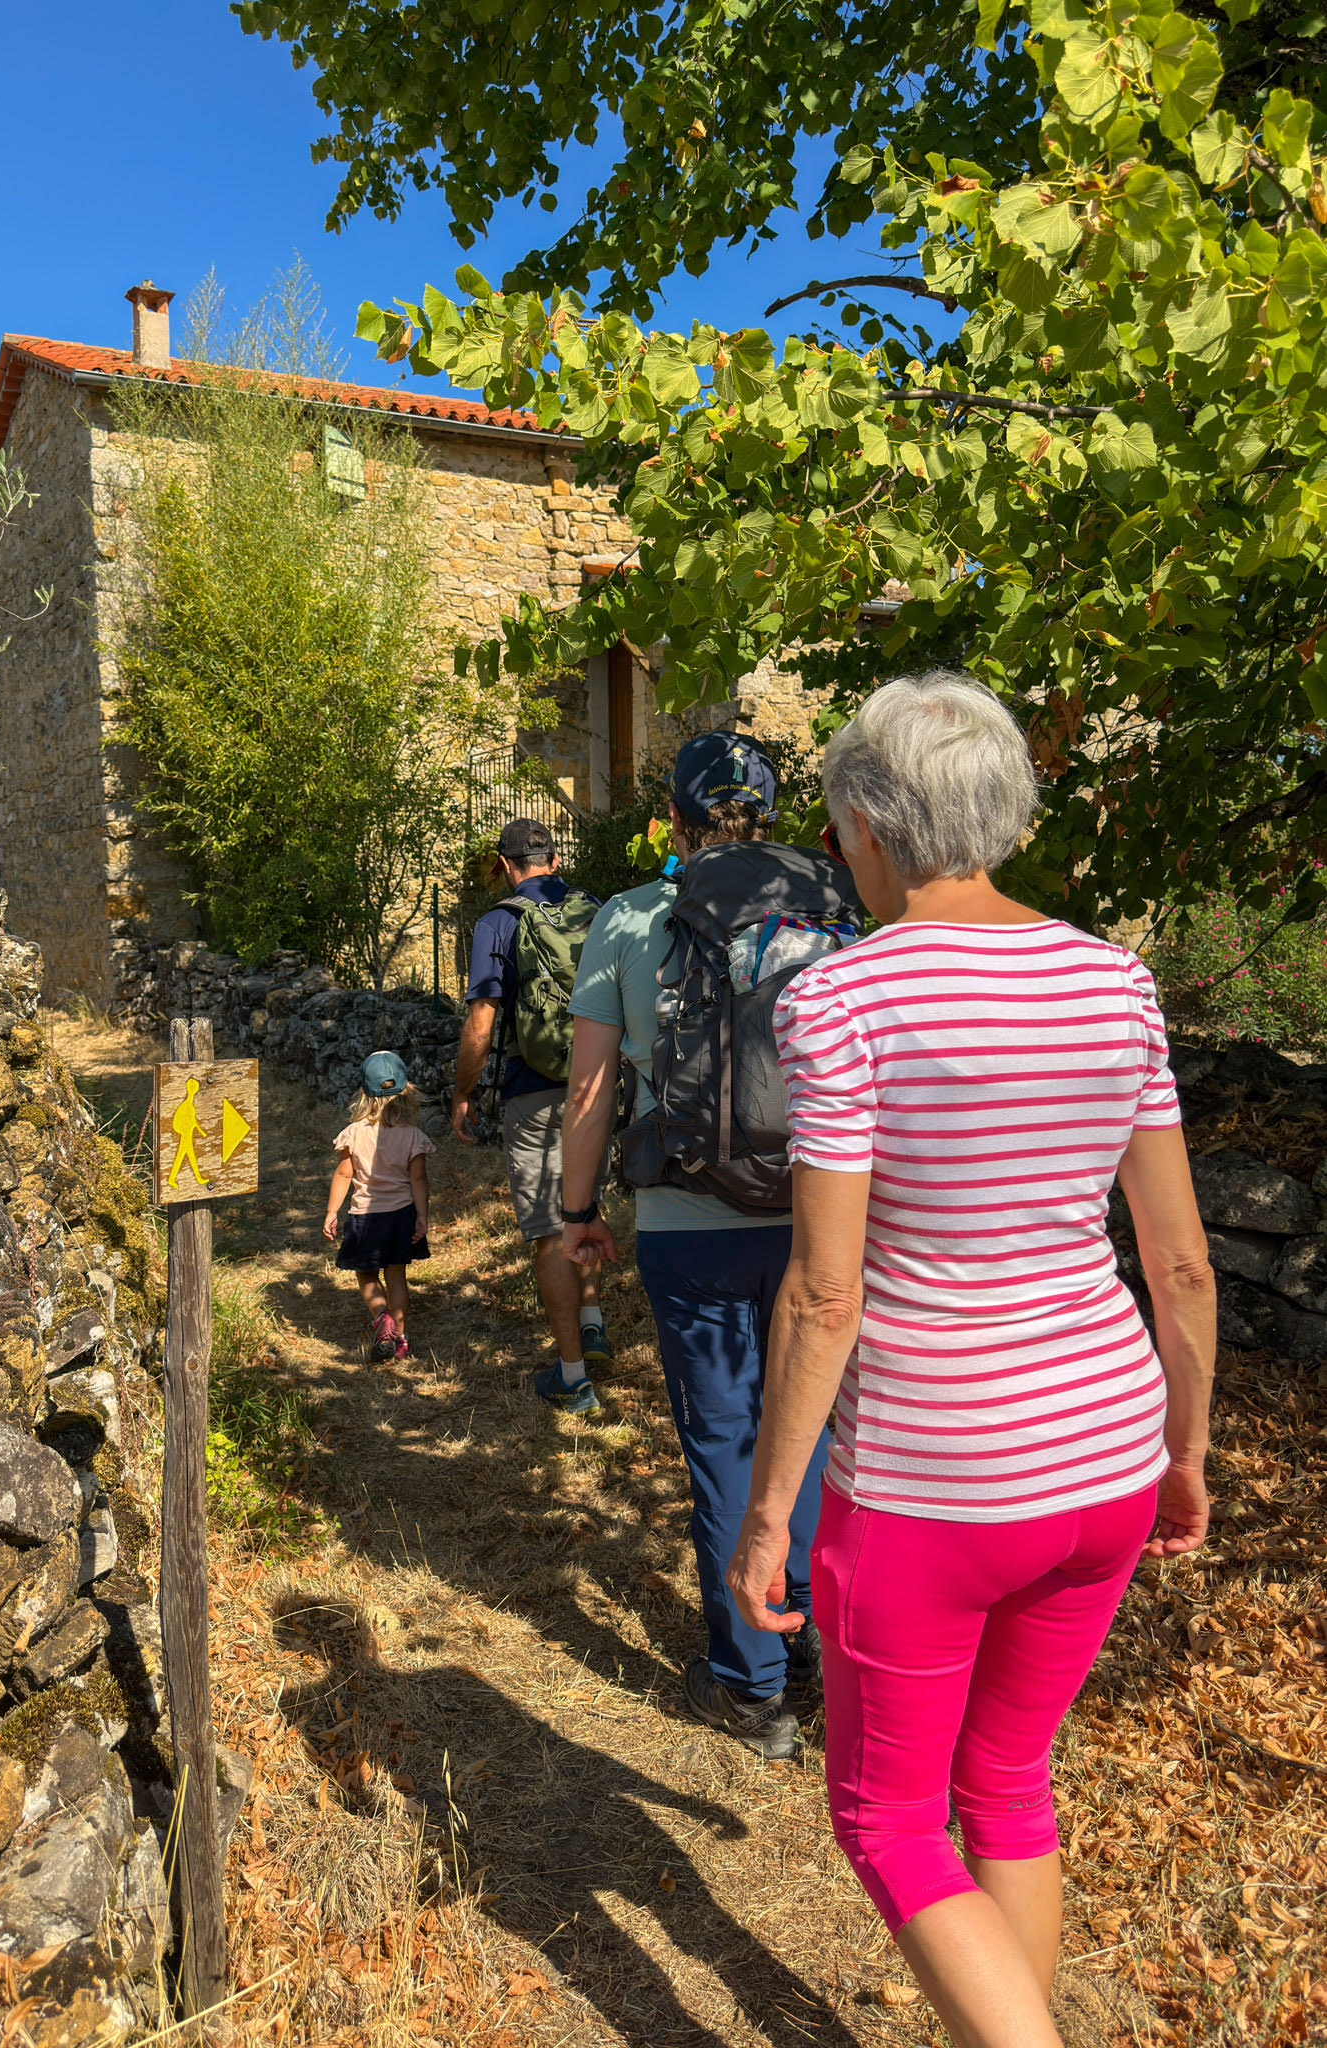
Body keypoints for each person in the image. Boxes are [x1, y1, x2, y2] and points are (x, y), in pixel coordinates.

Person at [724, 671, 1215, 2048]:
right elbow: (1177, 1263)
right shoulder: (1114, 982)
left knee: (884, 1817)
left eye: (839, 828)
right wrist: (1183, 1455)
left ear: (872, 826)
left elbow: (824, 1294)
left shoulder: (847, 999)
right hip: (1106, 1452)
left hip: (935, 1477)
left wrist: (769, 1513)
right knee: (1005, 1782)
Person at [559, 731, 837, 1762]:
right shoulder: (836, 906)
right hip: (821, 1221)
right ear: (771, 814)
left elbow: (590, 1092)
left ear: (672, 820)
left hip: (687, 1224)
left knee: (722, 1441)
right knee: (808, 1431)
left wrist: (578, 1208)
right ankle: (811, 1641)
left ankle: (751, 1683)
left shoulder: (630, 917)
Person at [452, 817, 609, 1411]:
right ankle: (592, 1321)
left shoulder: (498, 921)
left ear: (506, 864)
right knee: (584, 1207)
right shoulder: (593, 910)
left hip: (534, 1088)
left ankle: (573, 1377)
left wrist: (463, 1091)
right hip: (595, 1086)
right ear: (553, 856)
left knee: (549, 1232)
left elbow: (482, 1022)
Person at [324, 1051, 435, 1361]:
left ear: (362, 1092)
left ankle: (381, 1316)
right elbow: (419, 1180)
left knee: (368, 1277)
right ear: (405, 1091)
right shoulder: (413, 1137)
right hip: (401, 1216)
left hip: (365, 1218)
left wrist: (332, 1211)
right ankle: (400, 1339)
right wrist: (422, 1215)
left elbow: (344, 1174)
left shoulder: (353, 1134)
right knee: (396, 1276)